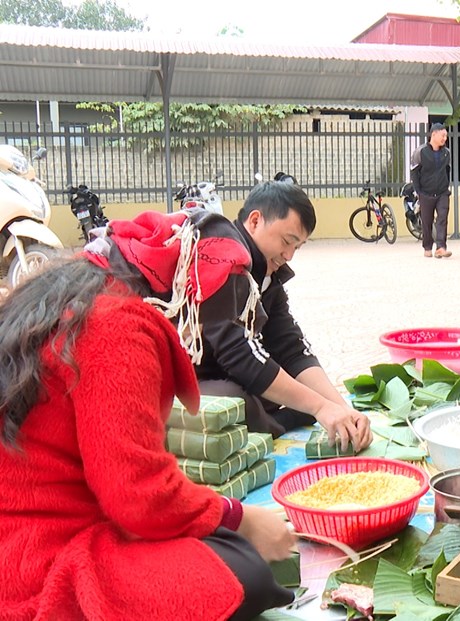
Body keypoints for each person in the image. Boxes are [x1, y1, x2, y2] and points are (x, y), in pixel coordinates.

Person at [0, 209, 296, 620]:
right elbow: (135, 496)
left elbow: (293, 347)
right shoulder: (115, 326)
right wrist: (238, 518)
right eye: (288, 242)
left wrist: (327, 405)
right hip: (43, 559)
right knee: (243, 569)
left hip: (19, 536)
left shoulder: (58, 293)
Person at [195, 181, 373, 451]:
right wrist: (318, 406)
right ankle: (279, 421)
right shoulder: (221, 255)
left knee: (282, 388)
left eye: (297, 247)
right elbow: (238, 353)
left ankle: (278, 416)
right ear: (255, 221)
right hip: (183, 377)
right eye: (287, 241)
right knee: (234, 404)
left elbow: (290, 346)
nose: (288, 255)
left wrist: (341, 409)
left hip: (222, 372)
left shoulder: (267, 275)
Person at [410, 123, 452, 258]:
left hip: (442, 192)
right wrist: (419, 192)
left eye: (446, 136)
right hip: (425, 193)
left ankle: (441, 247)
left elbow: (447, 171)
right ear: (433, 134)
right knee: (427, 221)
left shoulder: (447, 153)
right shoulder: (420, 152)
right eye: (442, 135)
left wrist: (446, 187)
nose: (445, 138)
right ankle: (427, 246)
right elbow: (414, 172)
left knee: (442, 218)